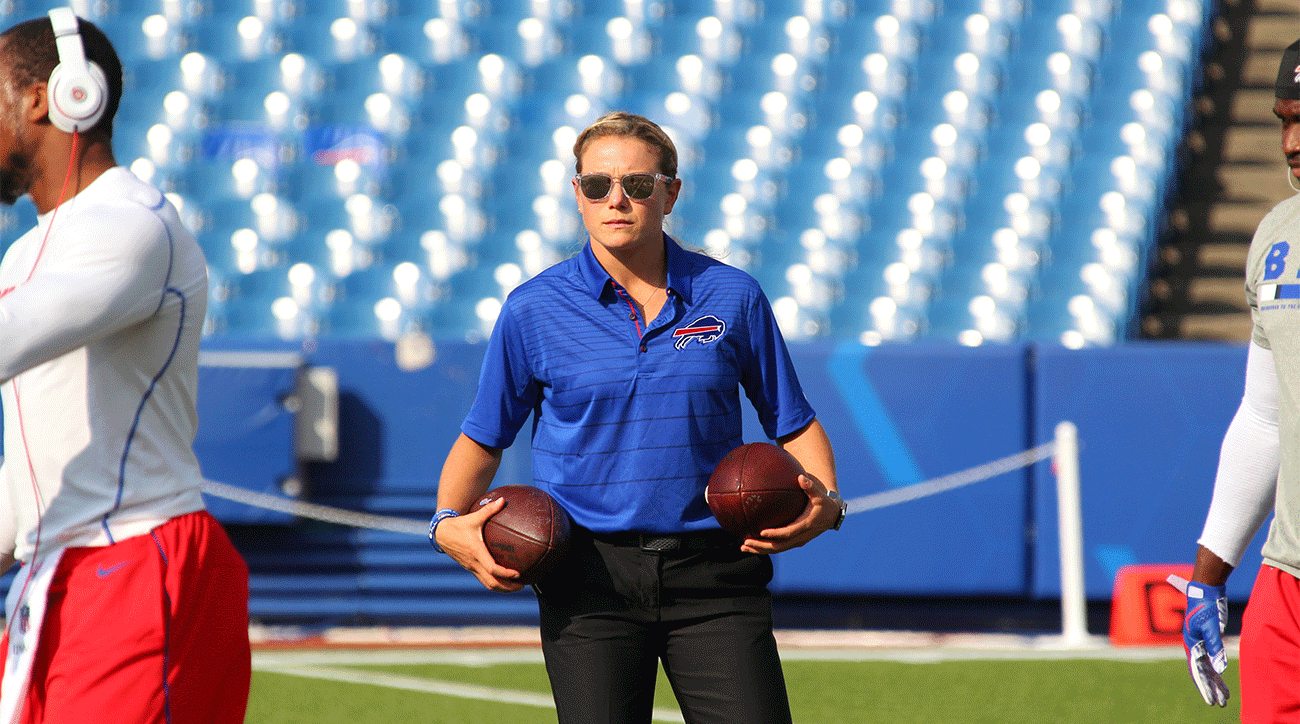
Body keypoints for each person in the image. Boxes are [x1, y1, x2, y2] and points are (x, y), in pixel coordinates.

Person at [431, 111, 846, 724]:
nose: (616, 199)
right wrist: (445, 523)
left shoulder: (734, 296)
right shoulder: (532, 309)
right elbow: (484, 436)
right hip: (587, 579)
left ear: (671, 192)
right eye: (597, 185)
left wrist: (828, 505)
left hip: (716, 575)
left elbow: (794, 422)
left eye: (639, 184)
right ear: (577, 194)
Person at [0, 11, 250, 723]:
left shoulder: (133, 224)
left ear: (56, 96)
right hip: (62, 578)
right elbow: (39, 478)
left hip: (138, 565)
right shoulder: (27, 253)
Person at [1179, 37, 1300, 720]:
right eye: (1283, 119)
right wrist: (1208, 576)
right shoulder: (1277, 238)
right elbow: (1263, 416)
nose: (1290, 142)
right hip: (1289, 584)